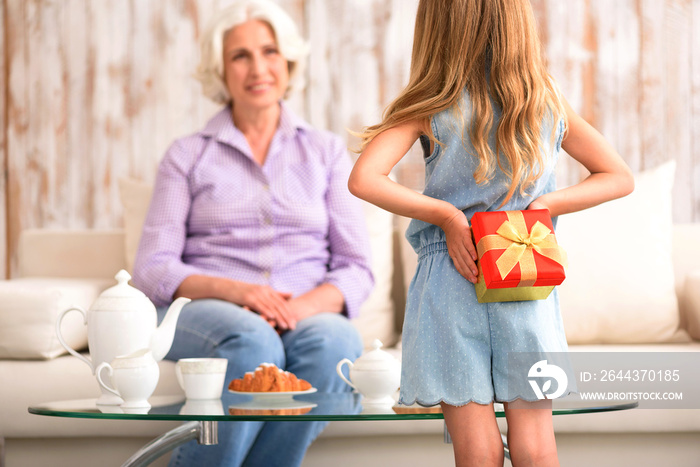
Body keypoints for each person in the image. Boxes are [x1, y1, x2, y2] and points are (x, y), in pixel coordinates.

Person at [348, 1, 634, 466]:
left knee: (475, 446)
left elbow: (364, 178)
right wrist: (543, 206)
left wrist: (448, 217)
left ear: (435, 27)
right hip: (523, 271)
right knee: (536, 443)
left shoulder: (430, 101)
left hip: (450, 277)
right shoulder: (544, 99)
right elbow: (618, 175)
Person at [132, 1, 374, 465]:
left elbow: (356, 268)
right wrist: (240, 293)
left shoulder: (325, 152)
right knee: (252, 337)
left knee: (336, 342)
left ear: (289, 61)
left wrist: (292, 310)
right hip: (209, 310)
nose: (258, 67)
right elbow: (152, 268)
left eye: (269, 51)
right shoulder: (186, 155)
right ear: (219, 70)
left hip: (303, 308)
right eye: (240, 56)